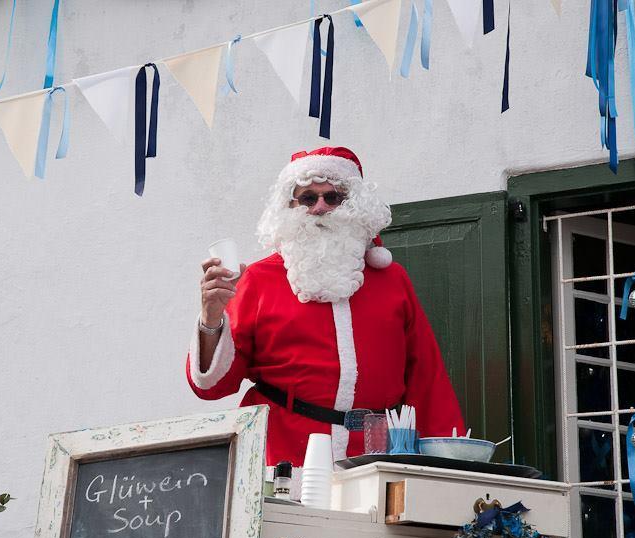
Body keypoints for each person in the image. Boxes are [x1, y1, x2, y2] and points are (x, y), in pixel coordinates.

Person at [186, 147, 465, 467]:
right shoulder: (260, 280)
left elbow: (426, 378)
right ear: (289, 207)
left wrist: (449, 461)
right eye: (307, 198)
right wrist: (211, 318)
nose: (320, 207)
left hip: (376, 458)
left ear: (354, 207)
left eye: (333, 198)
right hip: (282, 454)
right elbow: (212, 386)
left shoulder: (391, 280)